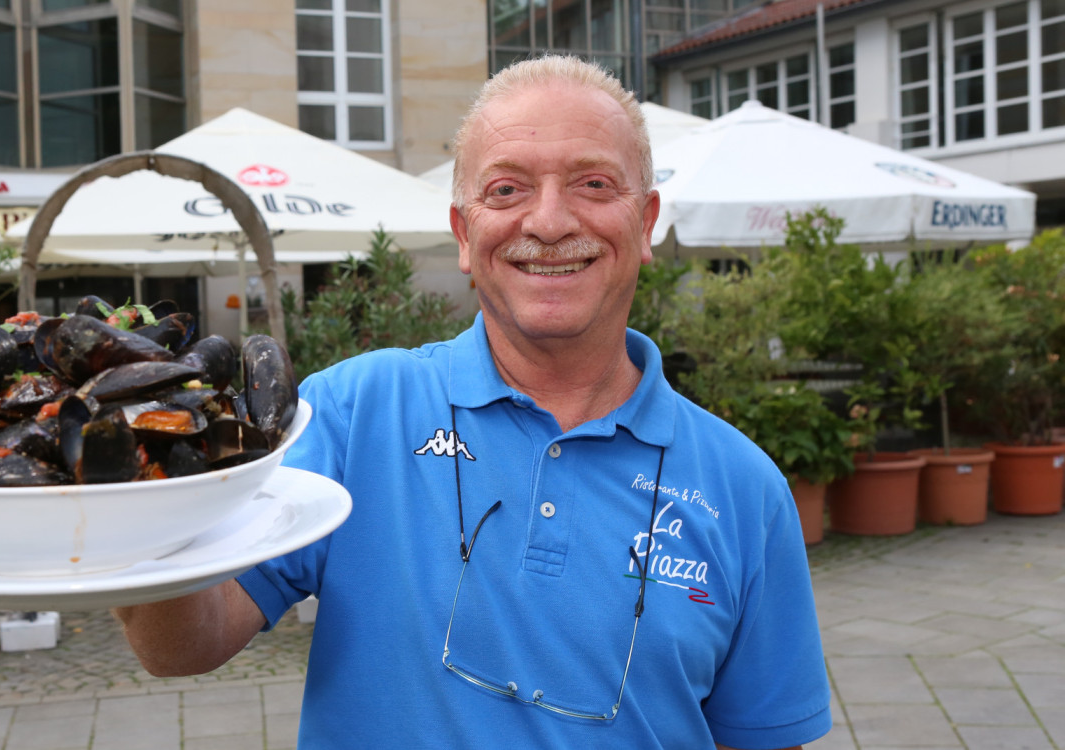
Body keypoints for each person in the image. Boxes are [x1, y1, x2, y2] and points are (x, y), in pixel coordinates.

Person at [113, 55, 831, 749]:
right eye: (507, 190)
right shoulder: (352, 413)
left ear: (644, 225)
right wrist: (133, 484)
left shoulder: (745, 491)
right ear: (464, 234)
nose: (548, 222)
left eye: (592, 183)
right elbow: (182, 646)